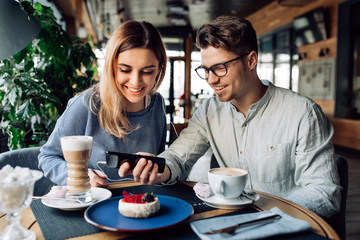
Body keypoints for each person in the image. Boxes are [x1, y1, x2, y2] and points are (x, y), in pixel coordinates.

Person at [119, 15, 341, 219]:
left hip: (287, 228)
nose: (211, 79)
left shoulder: (302, 113)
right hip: (232, 225)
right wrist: (158, 167)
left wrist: (265, 217)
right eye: (206, 69)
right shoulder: (208, 111)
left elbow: (324, 194)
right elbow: (178, 156)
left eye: (220, 68)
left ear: (251, 61)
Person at [38, 20, 168, 188]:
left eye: (147, 71)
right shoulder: (86, 105)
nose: (136, 82)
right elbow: (47, 157)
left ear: (159, 68)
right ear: (111, 67)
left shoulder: (157, 104)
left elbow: (160, 162)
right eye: (125, 70)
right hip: (93, 205)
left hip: (143, 203)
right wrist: (80, 177)